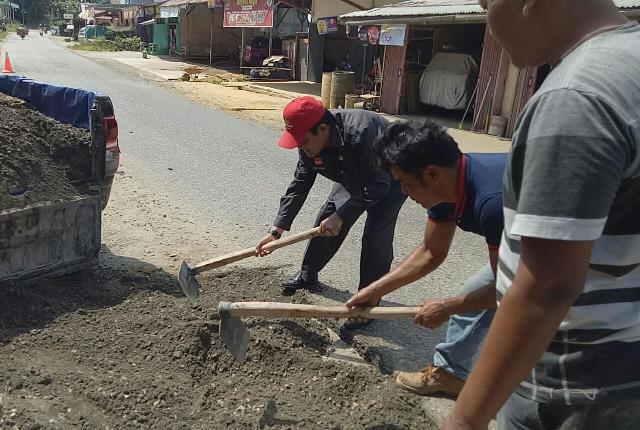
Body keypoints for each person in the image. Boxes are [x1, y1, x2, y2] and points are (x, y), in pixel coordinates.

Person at [445, 1, 640, 429]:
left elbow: (547, 287)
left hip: (575, 380)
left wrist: (463, 420)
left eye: (485, 4)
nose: (488, 24)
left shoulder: (577, 96)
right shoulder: (631, 62)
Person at [346, 120, 506, 398]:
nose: (406, 194)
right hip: (535, 240)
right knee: (470, 299)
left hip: (585, 245)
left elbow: (508, 290)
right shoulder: (448, 185)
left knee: (546, 326)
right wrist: (375, 290)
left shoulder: (492, 203)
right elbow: (431, 251)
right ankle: (453, 374)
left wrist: (446, 306)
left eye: (407, 185)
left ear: (431, 174)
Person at [255, 96, 406, 327]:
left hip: (391, 178)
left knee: (376, 237)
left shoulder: (364, 132)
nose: (301, 147)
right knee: (325, 224)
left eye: (304, 141)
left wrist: (341, 216)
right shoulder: (308, 143)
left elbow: (378, 185)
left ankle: (366, 303)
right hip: (351, 173)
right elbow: (300, 184)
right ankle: (308, 274)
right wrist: (276, 230)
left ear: (323, 129)